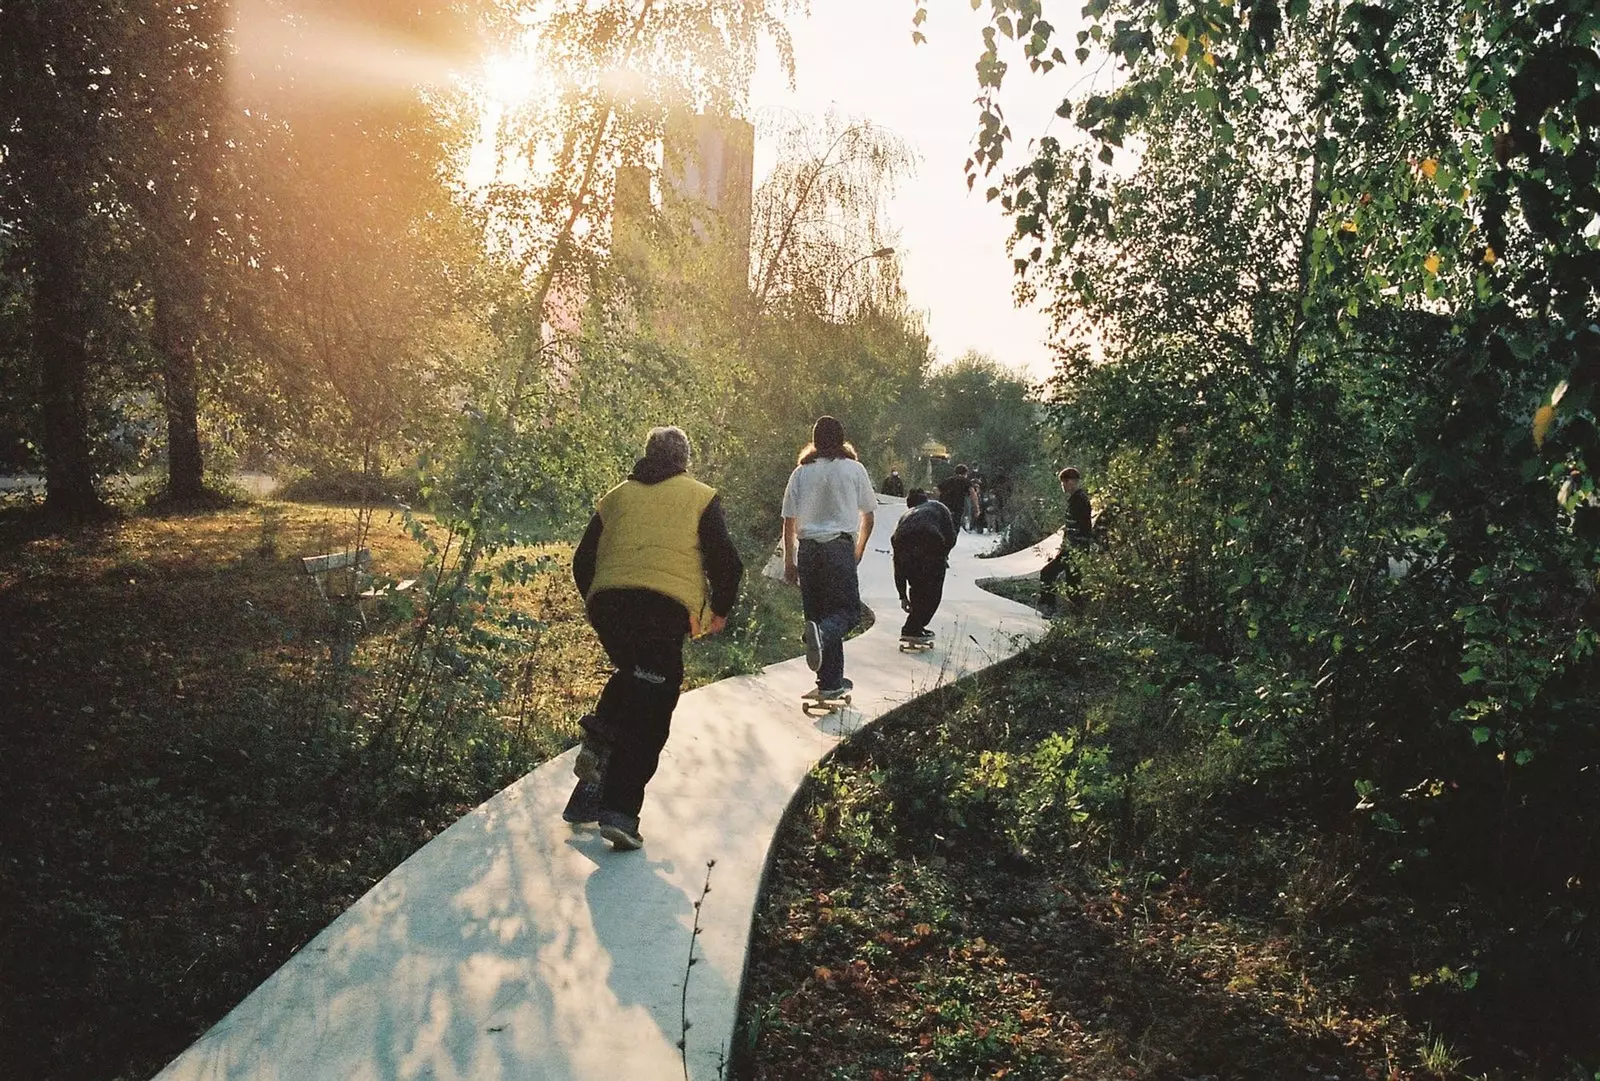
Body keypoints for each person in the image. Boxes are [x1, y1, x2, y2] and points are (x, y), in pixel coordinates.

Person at [568, 425, 744, 850]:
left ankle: (598, 742)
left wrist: (600, 602)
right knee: (653, 704)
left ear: (647, 455)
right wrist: (719, 610)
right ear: (684, 461)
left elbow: (581, 561)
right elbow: (727, 562)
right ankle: (619, 813)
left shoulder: (616, 497)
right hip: (662, 609)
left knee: (635, 675)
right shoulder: (700, 496)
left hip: (609, 605)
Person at [781, 416, 876, 700]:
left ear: (815, 440)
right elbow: (869, 515)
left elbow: (788, 519)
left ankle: (829, 682)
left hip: (808, 551)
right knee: (848, 613)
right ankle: (822, 636)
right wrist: (858, 549)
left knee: (819, 616)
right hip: (838, 548)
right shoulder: (854, 469)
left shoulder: (801, 472)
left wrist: (789, 561)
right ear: (841, 439)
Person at [891, 488, 956, 642]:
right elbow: (951, 536)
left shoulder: (905, 517)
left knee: (917, 586)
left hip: (902, 543)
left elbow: (898, 565)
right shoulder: (939, 507)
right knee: (933, 592)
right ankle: (912, 628)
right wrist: (943, 554)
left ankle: (915, 626)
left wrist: (903, 596)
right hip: (931, 541)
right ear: (925, 500)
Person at [1039, 466, 1093, 613]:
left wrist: (1074, 547)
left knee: (1048, 573)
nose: (1062, 486)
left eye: (1064, 482)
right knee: (1073, 587)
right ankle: (1078, 616)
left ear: (1072, 482)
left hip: (1075, 549)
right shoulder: (1076, 499)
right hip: (1074, 548)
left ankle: (1049, 607)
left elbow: (1083, 527)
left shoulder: (1079, 500)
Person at [937, 463, 979, 531]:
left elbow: (937, 490)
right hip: (957, 507)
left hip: (944, 506)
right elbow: (973, 494)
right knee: (955, 527)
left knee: (944, 525)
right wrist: (976, 509)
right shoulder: (966, 481)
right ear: (965, 473)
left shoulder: (947, 480)